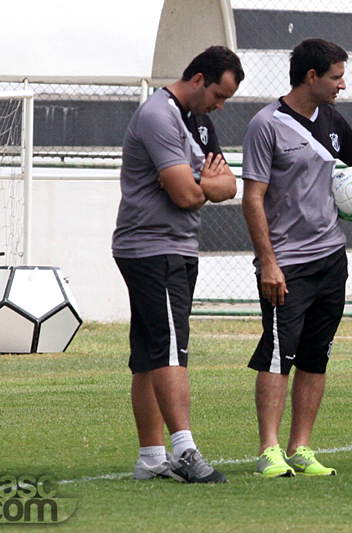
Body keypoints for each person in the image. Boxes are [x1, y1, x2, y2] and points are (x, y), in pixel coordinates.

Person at [241, 38, 352, 477]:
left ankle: (300, 448)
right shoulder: (267, 125)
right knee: (280, 353)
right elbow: (253, 198)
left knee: (317, 355)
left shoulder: (334, 121)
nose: (343, 85)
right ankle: (268, 450)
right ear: (311, 77)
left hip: (331, 258)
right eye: (336, 77)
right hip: (288, 264)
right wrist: (269, 263)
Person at [112, 46, 244, 483]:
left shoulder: (200, 124)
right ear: (199, 78)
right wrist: (204, 182)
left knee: (150, 354)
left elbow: (229, 185)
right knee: (169, 349)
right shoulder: (158, 115)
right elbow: (188, 195)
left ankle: (151, 458)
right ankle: (184, 450)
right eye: (218, 95)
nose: (220, 107)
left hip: (176, 247)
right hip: (153, 248)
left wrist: (202, 182)